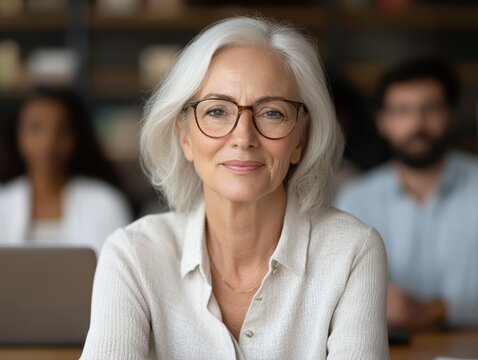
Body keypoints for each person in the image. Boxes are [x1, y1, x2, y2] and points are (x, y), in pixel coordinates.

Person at [80, 17, 389, 359]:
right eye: (217, 111)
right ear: (184, 136)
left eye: (272, 113)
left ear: (300, 139)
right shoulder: (133, 255)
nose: (243, 137)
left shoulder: (352, 251)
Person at [335, 58, 478, 330]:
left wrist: (434, 311)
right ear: (382, 122)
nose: (417, 123)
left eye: (431, 108)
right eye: (402, 111)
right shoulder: (355, 199)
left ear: (452, 114)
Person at [0, 86, 132, 252]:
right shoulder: (3, 203)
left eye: (61, 131)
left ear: (76, 138)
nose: (48, 143)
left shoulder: (106, 203)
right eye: (35, 128)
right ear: (17, 134)